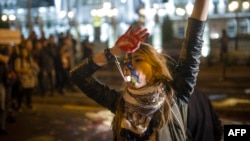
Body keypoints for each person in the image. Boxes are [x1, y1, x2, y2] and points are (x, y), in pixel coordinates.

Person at [70, 0, 209, 140]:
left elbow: (193, 42)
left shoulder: (176, 93)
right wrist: (112, 52)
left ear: (154, 69)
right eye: (126, 62)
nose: (129, 66)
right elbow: (78, 75)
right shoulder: (120, 103)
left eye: (138, 60)